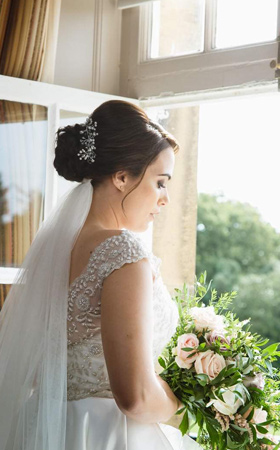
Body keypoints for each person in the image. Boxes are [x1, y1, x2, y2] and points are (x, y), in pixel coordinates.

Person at [0, 100, 201, 450]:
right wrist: (196, 405)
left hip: (43, 427)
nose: (164, 199)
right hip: (108, 436)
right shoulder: (123, 255)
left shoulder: (59, 250)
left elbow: (34, 370)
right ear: (122, 177)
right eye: (160, 182)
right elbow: (136, 398)